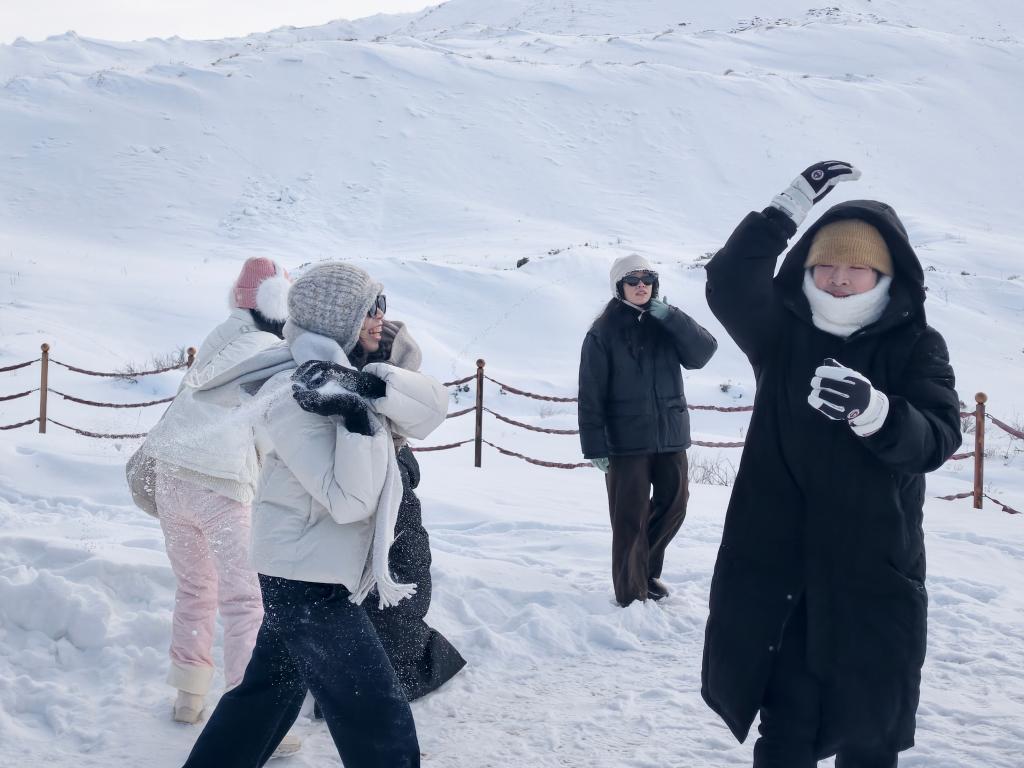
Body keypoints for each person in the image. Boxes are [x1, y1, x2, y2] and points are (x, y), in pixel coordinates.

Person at [700, 161, 962, 767]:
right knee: (786, 734)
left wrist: (878, 414)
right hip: (783, 576)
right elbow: (729, 280)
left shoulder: (916, 344)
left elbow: (937, 438)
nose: (839, 277)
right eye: (826, 264)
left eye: (856, 266)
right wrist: (789, 205)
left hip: (874, 578)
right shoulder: (780, 333)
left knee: (870, 737)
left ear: (885, 272)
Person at [181, 262, 448, 768]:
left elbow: (434, 408)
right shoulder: (291, 393)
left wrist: (371, 387)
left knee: (261, 703)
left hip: (316, 572)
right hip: (307, 584)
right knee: (376, 714)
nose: (380, 317)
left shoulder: (349, 372)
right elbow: (351, 501)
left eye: (382, 303)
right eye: (369, 308)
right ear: (338, 318)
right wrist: (356, 421)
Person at [135, 257, 291, 727]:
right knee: (245, 600)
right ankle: (251, 718)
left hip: (171, 476)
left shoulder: (217, 339)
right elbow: (267, 427)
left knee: (195, 587)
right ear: (277, 306)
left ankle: (188, 696)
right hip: (220, 485)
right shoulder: (268, 350)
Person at [578, 254, 718, 607]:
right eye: (632, 280)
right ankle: (631, 592)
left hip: (670, 435)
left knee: (675, 505)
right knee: (630, 519)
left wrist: (672, 317)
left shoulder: (667, 323)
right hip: (626, 442)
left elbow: (703, 354)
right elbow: (590, 394)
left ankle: (644, 571)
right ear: (619, 287)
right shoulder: (602, 332)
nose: (641, 285)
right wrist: (595, 445)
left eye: (647, 279)